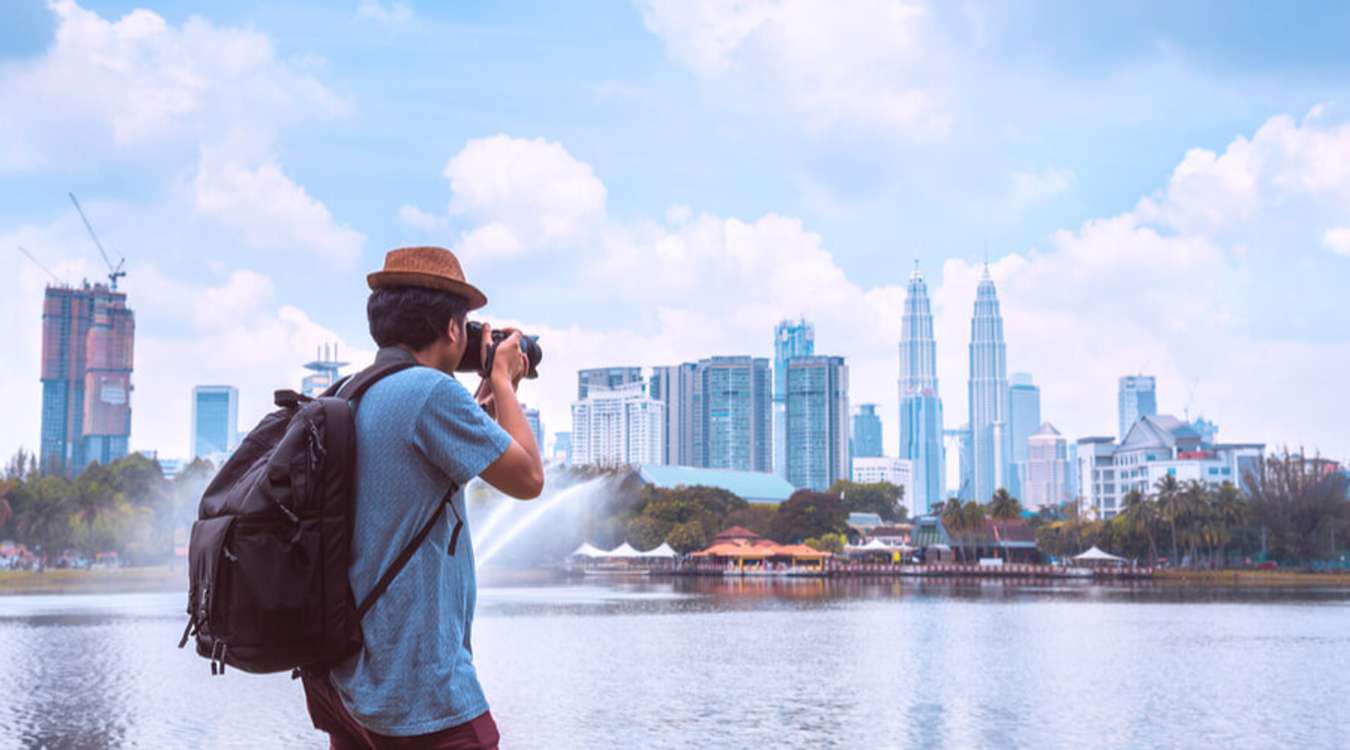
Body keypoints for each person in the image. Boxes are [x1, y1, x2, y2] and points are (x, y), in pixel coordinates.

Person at [302, 246, 544, 750]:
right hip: (417, 688)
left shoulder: (350, 392)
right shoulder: (431, 394)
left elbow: (425, 486)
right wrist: (503, 380)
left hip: (344, 683)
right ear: (454, 330)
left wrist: (482, 402)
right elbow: (529, 480)